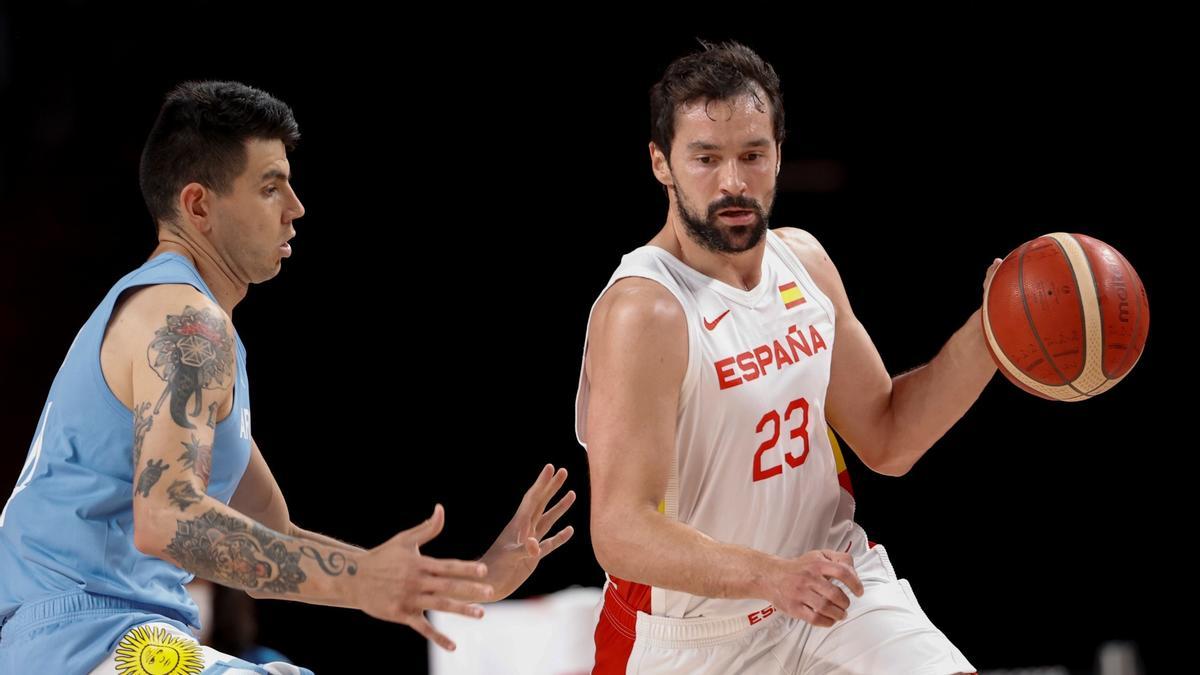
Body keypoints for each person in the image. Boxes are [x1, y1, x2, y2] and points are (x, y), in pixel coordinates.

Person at [0, 80, 575, 674]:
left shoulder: (182, 324)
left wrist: (455, 584)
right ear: (199, 206)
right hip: (84, 641)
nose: (296, 206)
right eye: (270, 186)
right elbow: (169, 520)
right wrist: (363, 582)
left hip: (90, 639)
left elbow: (274, 538)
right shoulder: (185, 321)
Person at [576, 41, 998, 674]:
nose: (733, 183)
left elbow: (889, 438)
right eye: (706, 158)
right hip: (693, 634)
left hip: (833, 590)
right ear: (661, 164)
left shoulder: (804, 263)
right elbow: (619, 531)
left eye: (753, 154)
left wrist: (993, 334)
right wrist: (769, 575)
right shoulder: (646, 311)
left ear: (778, 152)